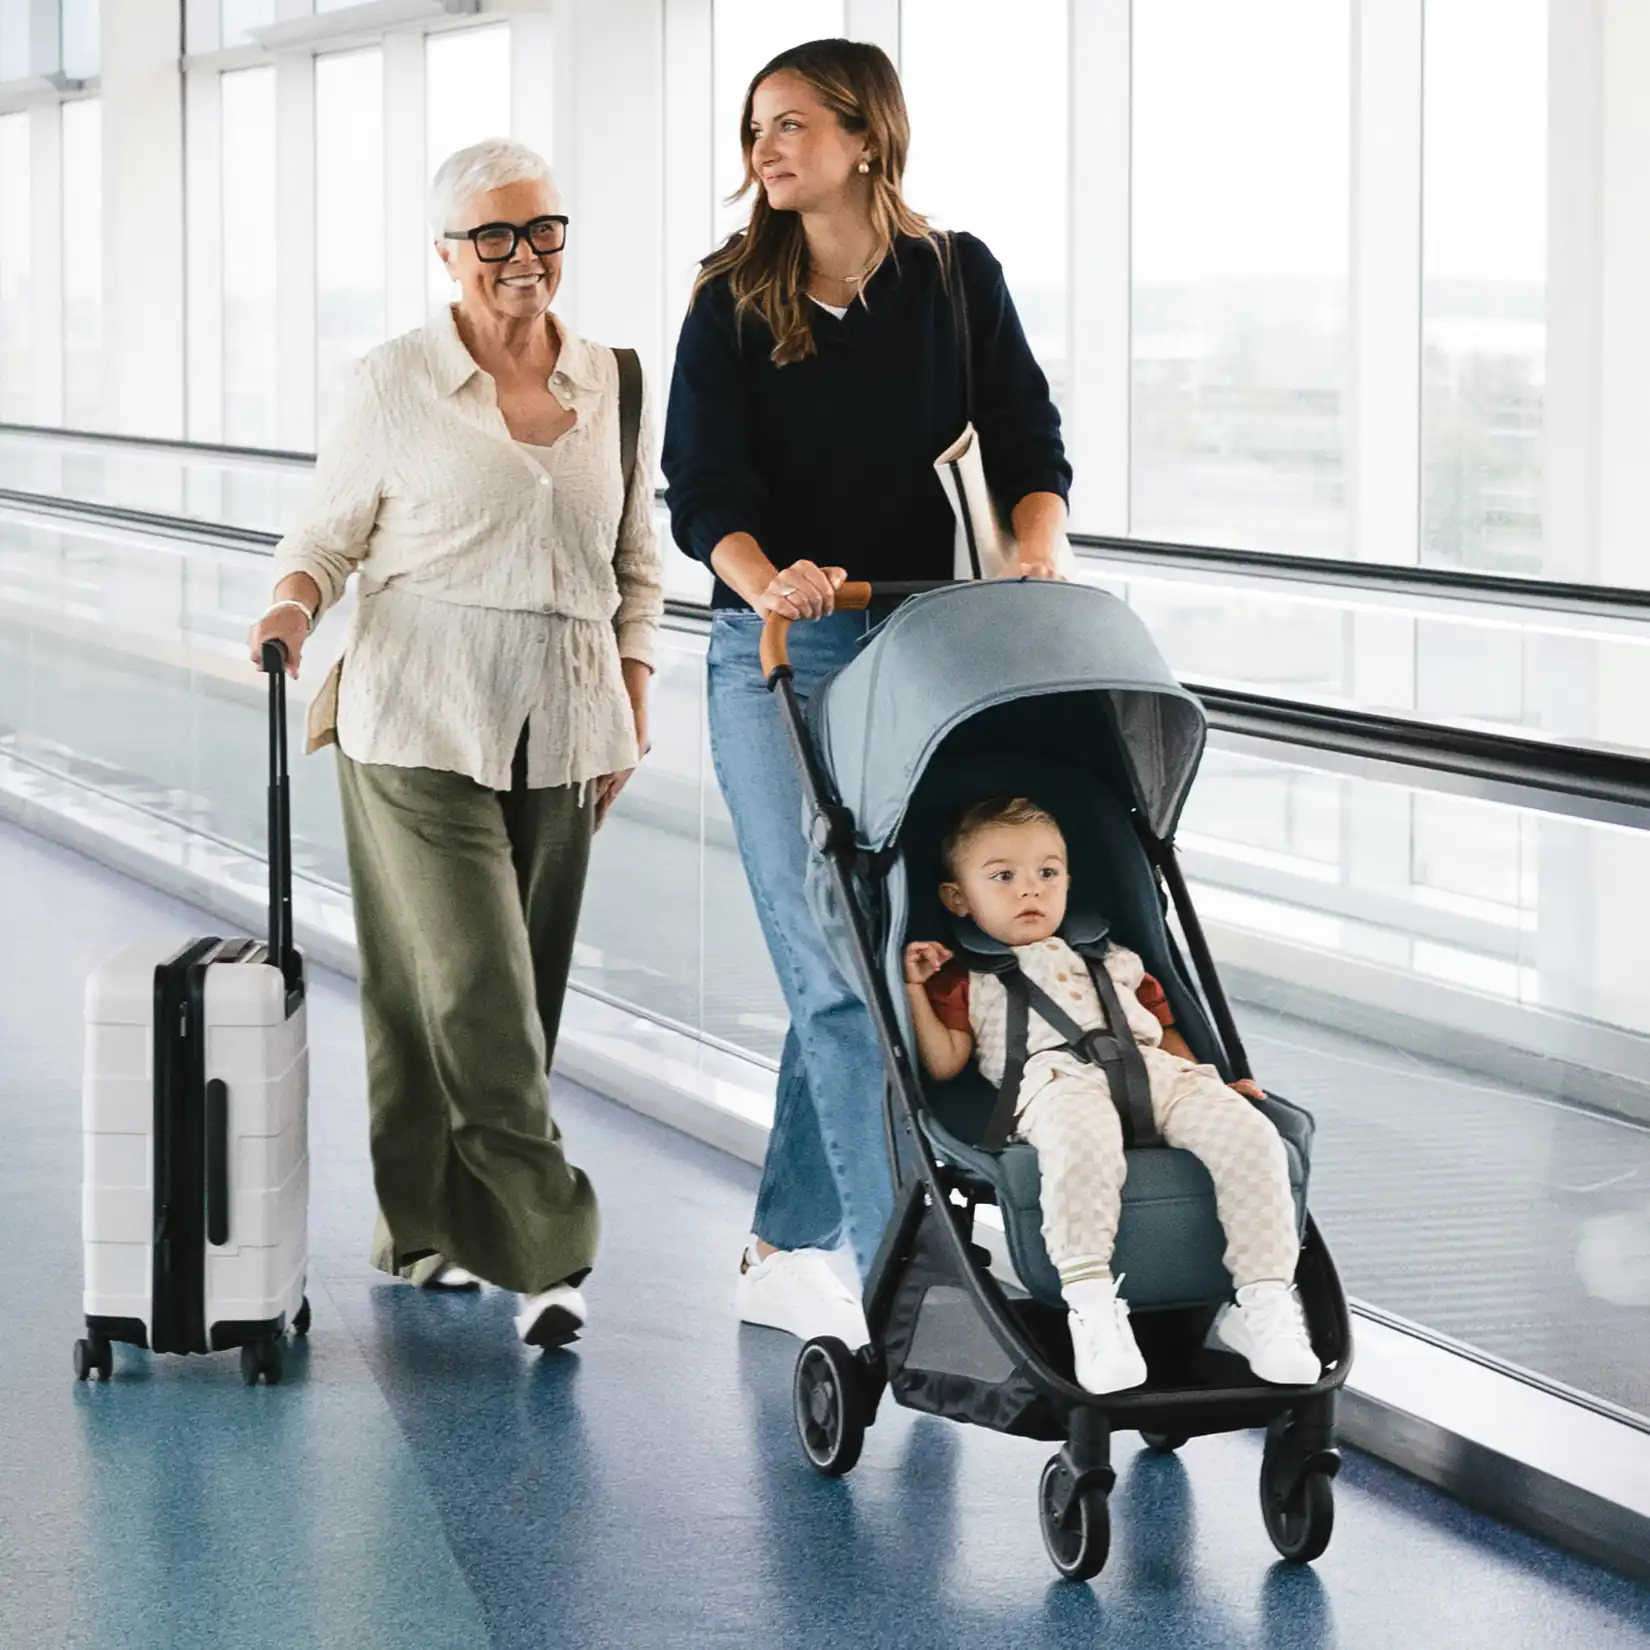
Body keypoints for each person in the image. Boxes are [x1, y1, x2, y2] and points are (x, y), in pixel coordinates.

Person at [662, 38, 1072, 1345]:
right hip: (778, 654)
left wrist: (1037, 549)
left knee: (868, 955)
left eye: (789, 125)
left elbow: (1026, 435)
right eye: (752, 130)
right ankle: (918, 1274)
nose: (764, 151)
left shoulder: (954, 278)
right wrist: (763, 575)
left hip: (928, 649)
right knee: (837, 962)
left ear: (864, 136)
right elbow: (700, 488)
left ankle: (789, 1242)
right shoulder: (729, 297)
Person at [246, 138, 661, 1349]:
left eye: (543, 231)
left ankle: (420, 1226)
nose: (524, 258)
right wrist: (288, 607)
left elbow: (637, 567)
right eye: (494, 237)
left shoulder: (619, 382)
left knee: (506, 988)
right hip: (415, 712)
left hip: (569, 718)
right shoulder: (391, 384)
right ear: (445, 252)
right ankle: (551, 1250)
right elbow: (325, 539)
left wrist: (633, 702)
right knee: (476, 987)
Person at [903, 796, 1321, 1394]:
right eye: (1004, 877)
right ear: (958, 899)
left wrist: (1217, 1084)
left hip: (1152, 1069)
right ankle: (1093, 1308)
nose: (1031, 890)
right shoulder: (962, 975)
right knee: (1082, 1147)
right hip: (1052, 1082)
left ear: (1070, 881)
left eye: (1048, 873)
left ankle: (1263, 1303)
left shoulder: (1115, 956)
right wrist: (914, 989)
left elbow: (1167, 1031)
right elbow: (944, 1065)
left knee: (1254, 1136)